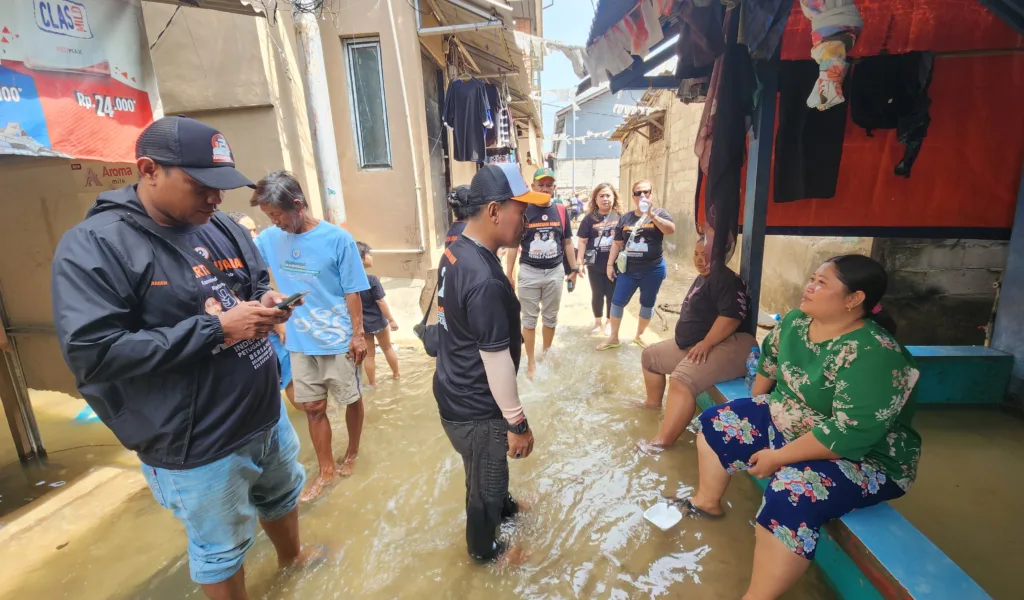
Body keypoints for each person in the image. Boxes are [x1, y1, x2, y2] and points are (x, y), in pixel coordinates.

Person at [51, 116, 319, 600]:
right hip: (196, 439)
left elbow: (254, 280)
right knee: (221, 547)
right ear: (149, 170)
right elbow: (94, 353)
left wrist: (267, 303)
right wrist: (217, 328)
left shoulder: (219, 225)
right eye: (202, 187)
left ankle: (292, 560)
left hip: (262, 412)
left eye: (222, 187)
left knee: (281, 494)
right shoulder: (96, 245)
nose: (216, 199)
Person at [683, 255, 921, 600]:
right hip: (793, 422)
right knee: (719, 421)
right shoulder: (795, 321)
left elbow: (848, 434)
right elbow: (770, 362)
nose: (809, 287)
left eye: (822, 283)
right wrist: (753, 407)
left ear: (854, 299)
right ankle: (706, 503)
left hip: (866, 457)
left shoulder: (877, 354)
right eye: (812, 278)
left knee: (792, 491)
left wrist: (778, 457)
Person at [434, 163, 549, 565]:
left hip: (454, 390)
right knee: (486, 480)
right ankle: (486, 553)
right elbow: (497, 360)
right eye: (522, 210)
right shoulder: (483, 278)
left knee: (486, 470)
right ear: (496, 211)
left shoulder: (456, 248)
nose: (528, 220)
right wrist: (517, 423)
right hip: (477, 407)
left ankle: (507, 509)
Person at [252, 171, 370, 501]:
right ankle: (326, 469)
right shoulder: (268, 239)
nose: (274, 222)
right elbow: (250, 269)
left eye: (276, 215)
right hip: (300, 340)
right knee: (313, 407)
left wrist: (358, 335)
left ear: (298, 205)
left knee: (350, 399)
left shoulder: (337, 239)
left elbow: (352, 290)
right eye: (268, 217)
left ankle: (353, 452)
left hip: (338, 337)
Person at [638, 236, 755, 450]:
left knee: (681, 380)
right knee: (650, 358)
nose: (700, 260)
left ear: (720, 256)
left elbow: (731, 317)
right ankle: (652, 405)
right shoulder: (705, 276)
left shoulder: (725, 279)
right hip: (693, 344)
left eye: (706, 255)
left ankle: (662, 442)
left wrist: (706, 343)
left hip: (731, 344)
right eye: (696, 254)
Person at [505, 167, 580, 378]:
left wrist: (573, 269)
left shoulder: (562, 211)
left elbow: (566, 242)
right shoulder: (523, 210)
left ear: (554, 188)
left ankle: (546, 353)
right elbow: (513, 245)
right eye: (541, 184)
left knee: (550, 318)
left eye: (549, 185)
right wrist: (508, 274)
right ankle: (530, 363)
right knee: (528, 320)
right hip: (529, 272)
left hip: (554, 272)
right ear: (533, 186)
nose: (545, 188)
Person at [598, 180, 676, 350]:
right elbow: (617, 243)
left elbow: (670, 230)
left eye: (645, 192)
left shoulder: (659, 213)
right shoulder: (625, 218)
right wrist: (610, 265)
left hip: (653, 269)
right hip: (628, 270)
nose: (642, 195)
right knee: (617, 302)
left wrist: (651, 214)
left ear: (651, 194)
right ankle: (613, 337)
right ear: (633, 196)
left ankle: (640, 335)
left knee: (647, 302)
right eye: (637, 193)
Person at [227, 211, 295, 405]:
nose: (255, 236)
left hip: (268, 331)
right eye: (248, 231)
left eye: (255, 230)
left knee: (286, 376)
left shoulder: (253, 257)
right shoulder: (230, 263)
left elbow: (262, 288)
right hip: (247, 340)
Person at [574, 183, 624, 335]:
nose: (605, 199)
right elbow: (582, 241)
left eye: (608, 195)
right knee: (597, 293)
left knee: (611, 294)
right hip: (594, 264)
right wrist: (579, 263)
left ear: (614, 198)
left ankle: (609, 322)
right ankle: (597, 322)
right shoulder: (589, 219)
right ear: (595, 199)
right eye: (601, 196)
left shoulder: (620, 217)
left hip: (615, 265)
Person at [356, 241, 400, 385]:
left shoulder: (350, 281)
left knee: (369, 356)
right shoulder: (371, 279)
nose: (371, 257)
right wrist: (391, 320)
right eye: (369, 254)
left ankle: (372, 384)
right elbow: (381, 302)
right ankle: (396, 375)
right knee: (387, 348)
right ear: (362, 258)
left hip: (363, 325)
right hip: (378, 322)